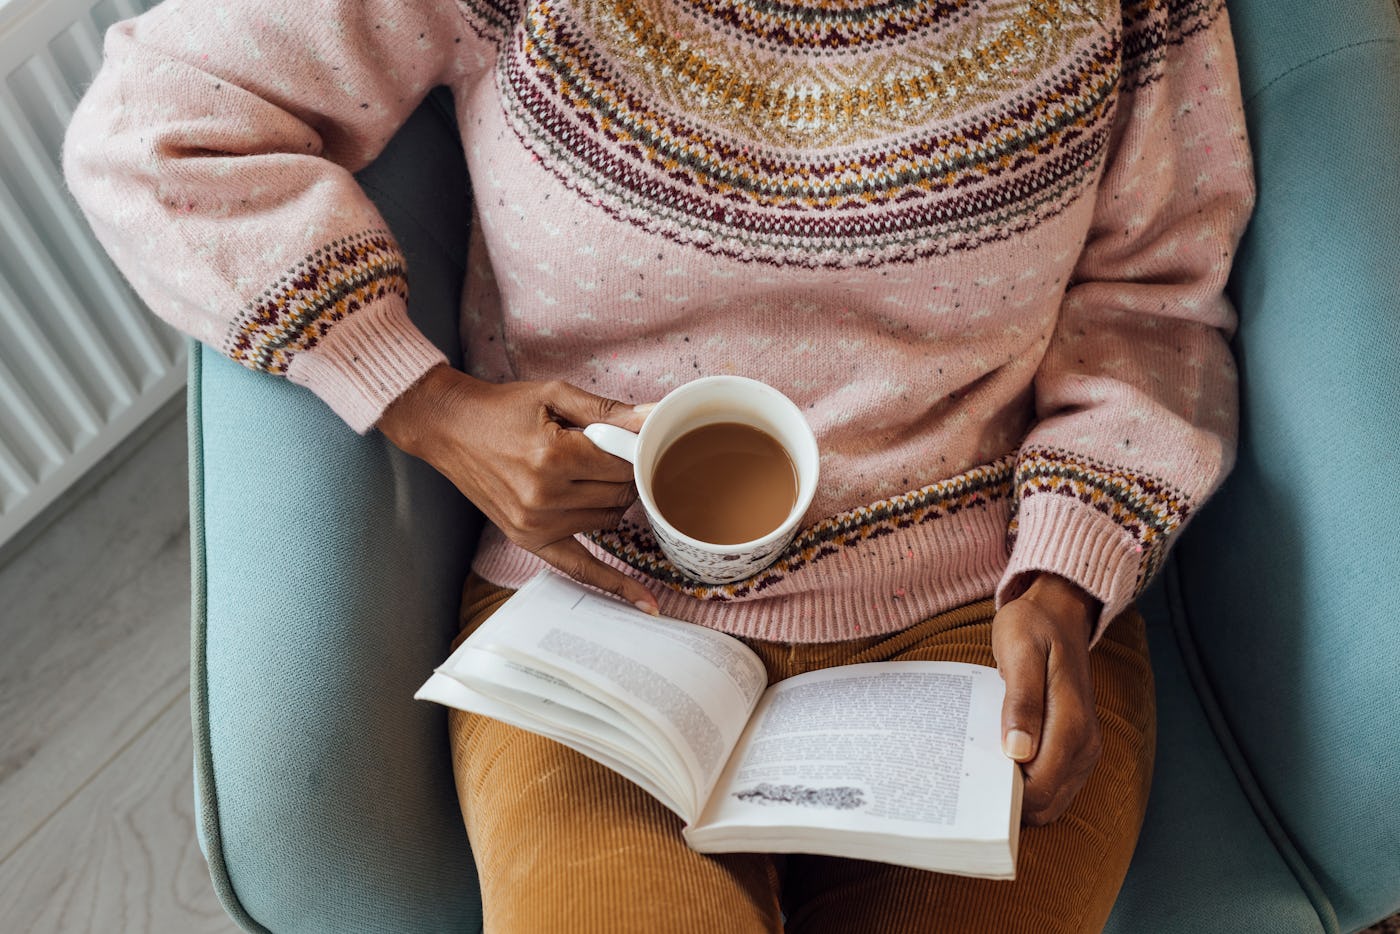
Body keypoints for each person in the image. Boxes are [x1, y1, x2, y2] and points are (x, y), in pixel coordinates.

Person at [62, 0, 1254, 929]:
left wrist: (1067, 572)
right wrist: (426, 402)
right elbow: (153, 126)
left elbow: (1151, 301)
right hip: (595, 611)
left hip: (979, 620)